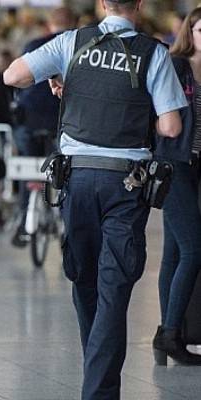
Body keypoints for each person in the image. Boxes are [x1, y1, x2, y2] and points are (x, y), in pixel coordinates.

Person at [3, 0, 186, 398]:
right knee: (113, 287)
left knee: (84, 280)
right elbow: (171, 126)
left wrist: (64, 80)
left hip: (78, 179)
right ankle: (100, 390)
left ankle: (97, 376)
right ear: (138, 5)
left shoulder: (72, 42)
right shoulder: (153, 53)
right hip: (127, 184)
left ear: (102, 3)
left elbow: (12, 75)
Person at [153, 7, 201, 366]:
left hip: (197, 165)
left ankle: (165, 334)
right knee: (193, 248)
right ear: (191, 31)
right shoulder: (175, 64)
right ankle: (171, 333)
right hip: (176, 164)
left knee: (174, 249)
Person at [11, 7, 76, 247]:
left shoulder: (34, 45)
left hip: (30, 120)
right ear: (73, 24)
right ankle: (66, 222)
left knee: (30, 168)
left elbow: (18, 81)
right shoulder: (76, 46)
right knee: (66, 171)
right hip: (62, 120)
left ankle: (22, 221)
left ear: (49, 25)